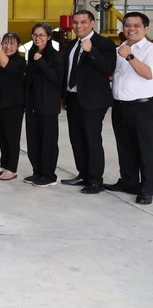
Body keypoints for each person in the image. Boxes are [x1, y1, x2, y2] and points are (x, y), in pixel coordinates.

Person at [61, 10, 116, 194]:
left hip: (93, 101)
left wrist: (92, 51)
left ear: (92, 23)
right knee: (76, 139)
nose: (79, 26)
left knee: (91, 139)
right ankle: (83, 174)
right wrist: (63, 97)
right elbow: (67, 72)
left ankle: (95, 181)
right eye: (76, 22)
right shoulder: (72, 44)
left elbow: (108, 68)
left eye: (84, 22)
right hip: (73, 97)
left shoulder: (104, 44)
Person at [107, 12, 153, 205]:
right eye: (127, 25)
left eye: (136, 25)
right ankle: (129, 182)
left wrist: (130, 56)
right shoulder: (119, 49)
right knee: (125, 147)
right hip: (120, 106)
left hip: (142, 107)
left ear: (145, 29)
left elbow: (148, 74)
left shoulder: (150, 49)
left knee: (145, 149)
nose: (131, 29)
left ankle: (148, 188)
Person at [24, 22, 64, 188]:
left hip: (48, 104)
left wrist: (41, 62)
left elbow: (57, 79)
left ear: (48, 37)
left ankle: (49, 175)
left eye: (41, 35)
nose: (37, 38)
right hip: (32, 103)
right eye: (35, 35)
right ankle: (38, 171)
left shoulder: (55, 56)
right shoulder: (32, 52)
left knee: (48, 140)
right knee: (33, 138)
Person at [0, 33, 26, 182]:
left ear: (18, 46)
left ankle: (12, 168)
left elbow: (6, 65)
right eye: (5, 43)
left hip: (12, 106)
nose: (8, 47)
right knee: (2, 137)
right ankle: (4, 164)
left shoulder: (20, 61)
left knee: (11, 138)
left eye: (12, 44)